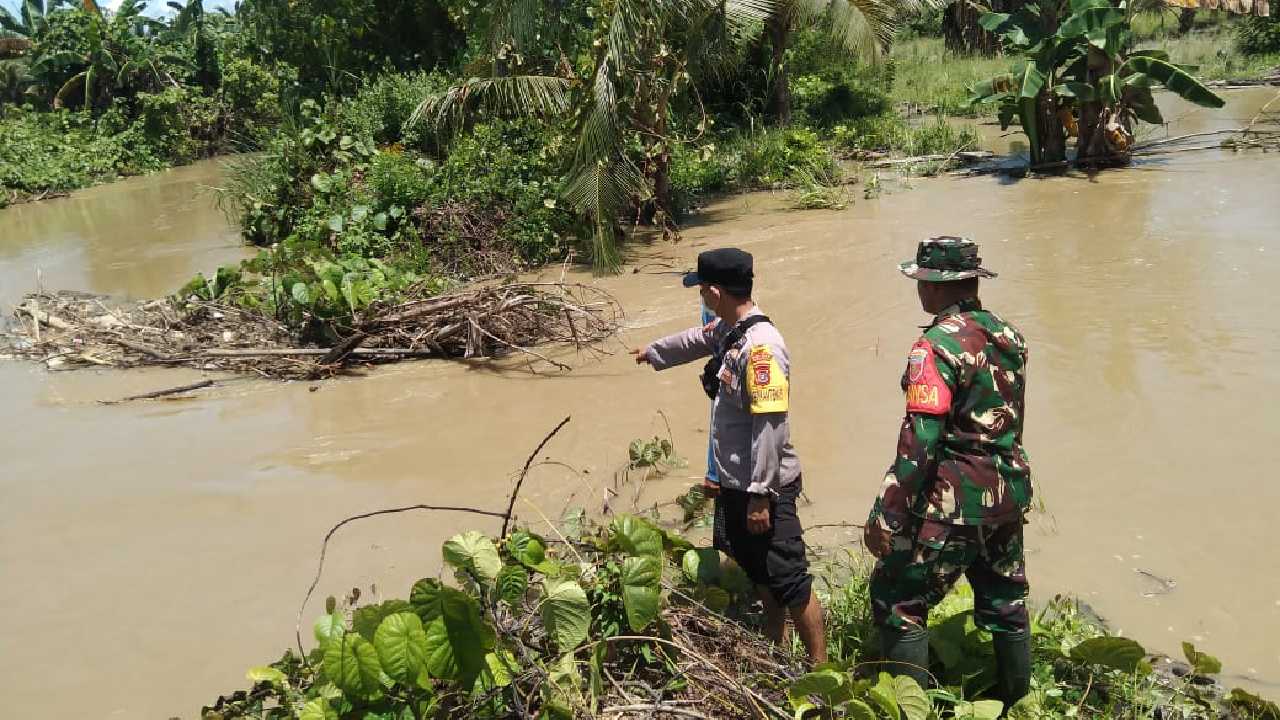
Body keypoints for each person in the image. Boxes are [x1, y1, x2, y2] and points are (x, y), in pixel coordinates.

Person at [634, 248, 827, 664]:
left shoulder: (762, 349)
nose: (701, 296)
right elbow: (696, 339)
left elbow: (771, 427)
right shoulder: (729, 330)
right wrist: (655, 352)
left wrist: (760, 495)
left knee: (791, 579)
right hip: (736, 482)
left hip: (765, 488)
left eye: (702, 289)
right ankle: (774, 643)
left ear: (716, 292)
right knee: (758, 569)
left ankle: (822, 669)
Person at [863, 236, 1034, 704]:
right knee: (1006, 600)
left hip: (952, 500)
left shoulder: (934, 347)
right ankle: (1016, 704)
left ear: (935, 286)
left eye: (921, 281)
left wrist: (887, 511)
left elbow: (921, 439)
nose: (919, 289)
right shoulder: (1010, 336)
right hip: (1006, 492)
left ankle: (910, 708)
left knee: (896, 599)